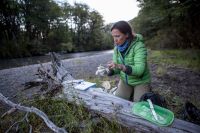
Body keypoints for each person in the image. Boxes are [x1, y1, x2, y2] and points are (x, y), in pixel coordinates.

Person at [107, 21, 151, 102]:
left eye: (117, 36)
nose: (115, 40)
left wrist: (122, 66)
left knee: (139, 106)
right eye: (113, 37)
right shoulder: (116, 48)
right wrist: (109, 70)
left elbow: (140, 70)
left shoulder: (139, 46)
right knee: (118, 102)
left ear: (127, 34)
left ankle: (144, 89)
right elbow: (117, 68)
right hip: (125, 80)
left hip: (140, 81)